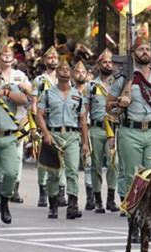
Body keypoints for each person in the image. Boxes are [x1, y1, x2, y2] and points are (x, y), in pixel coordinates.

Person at [107, 36, 151, 242]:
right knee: (132, 179)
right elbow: (108, 106)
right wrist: (120, 102)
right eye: (141, 49)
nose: (145, 51)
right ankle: (134, 222)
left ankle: (146, 222)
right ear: (133, 53)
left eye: (148, 48)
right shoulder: (123, 78)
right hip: (130, 131)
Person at [36, 57, 89, 219]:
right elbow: (39, 115)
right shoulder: (47, 94)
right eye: (61, 69)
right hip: (54, 134)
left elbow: (82, 120)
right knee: (53, 172)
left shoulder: (78, 95)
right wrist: (46, 134)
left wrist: (85, 142)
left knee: (72, 170)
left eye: (67, 69)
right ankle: (53, 204)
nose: (65, 71)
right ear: (56, 74)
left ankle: (72, 205)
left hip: (72, 135)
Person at [0, 54, 28, 226]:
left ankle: (4, 202)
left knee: (11, 173)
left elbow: (24, 100)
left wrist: (6, 93)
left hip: (9, 136)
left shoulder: (10, 85)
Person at [31, 46, 67, 208]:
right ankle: (43, 190)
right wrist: (36, 125)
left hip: (60, 123)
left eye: (55, 58)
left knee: (63, 159)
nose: (53, 60)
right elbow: (33, 104)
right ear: (45, 61)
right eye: (50, 58)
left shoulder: (65, 79)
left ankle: (61, 191)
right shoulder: (40, 80)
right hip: (43, 122)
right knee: (43, 160)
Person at [85, 49, 119, 214]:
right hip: (97, 128)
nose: (108, 65)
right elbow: (86, 110)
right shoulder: (91, 86)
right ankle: (97, 199)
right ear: (99, 64)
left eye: (110, 62)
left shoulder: (118, 84)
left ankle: (111, 199)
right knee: (96, 165)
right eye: (105, 62)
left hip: (113, 128)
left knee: (114, 162)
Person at [0, 45, 31, 204]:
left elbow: (31, 93)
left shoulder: (20, 75)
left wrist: (25, 88)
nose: (6, 57)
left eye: (9, 54)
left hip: (18, 120)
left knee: (17, 156)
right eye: (3, 54)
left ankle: (14, 189)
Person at [71, 60, 95, 211]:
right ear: (73, 74)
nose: (80, 74)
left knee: (88, 162)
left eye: (83, 72)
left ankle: (90, 196)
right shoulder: (68, 89)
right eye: (78, 72)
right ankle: (68, 195)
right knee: (71, 166)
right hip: (72, 128)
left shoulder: (90, 89)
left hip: (88, 127)